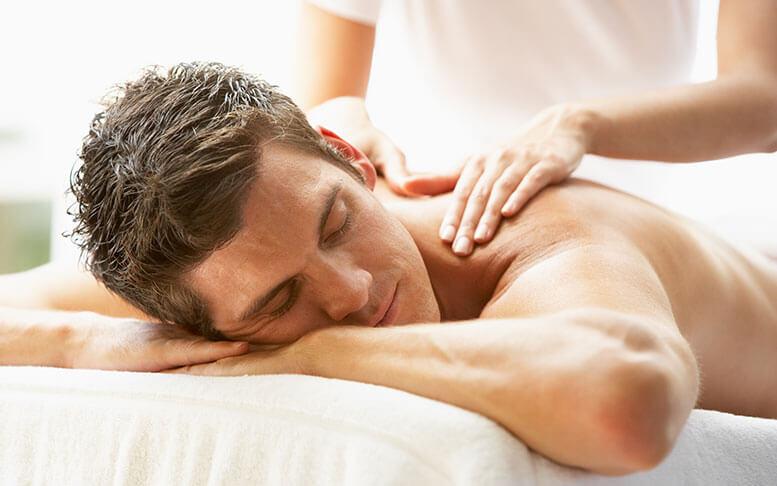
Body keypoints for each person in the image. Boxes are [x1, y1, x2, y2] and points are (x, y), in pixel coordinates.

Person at [1, 63, 776, 475]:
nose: (351, 290)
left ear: (350, 162)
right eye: (279, 300)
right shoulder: (214, 268)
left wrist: (304, 350)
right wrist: (83, 343)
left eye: (336, 223)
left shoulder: (534, 233)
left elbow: (626, 405)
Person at [296, 0, 777, 256]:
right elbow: (324, 100)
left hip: (630, 228)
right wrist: (342, 130)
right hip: (438, 217)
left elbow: (764, 99)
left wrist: (578, 125)